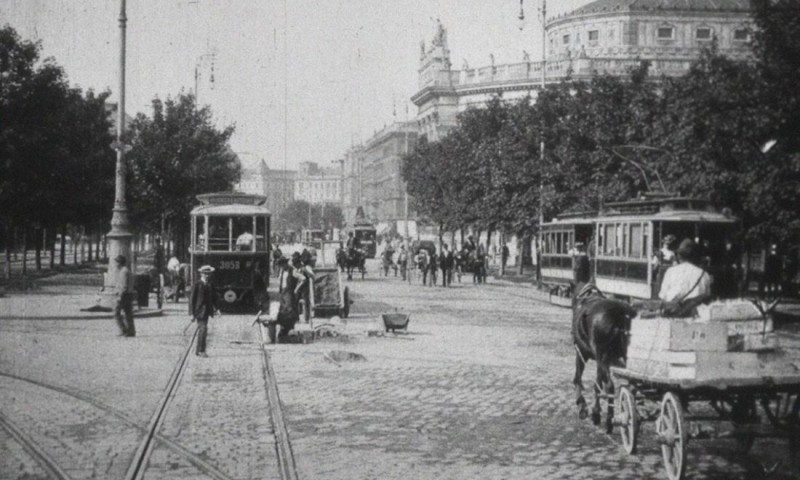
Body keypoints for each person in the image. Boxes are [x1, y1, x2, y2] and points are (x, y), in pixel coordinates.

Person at [659, 239, 712, 315]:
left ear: (679, 256)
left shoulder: (670, 272)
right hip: (696, 317)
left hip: (673, 316)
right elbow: (707, 296)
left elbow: (663, 297)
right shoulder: (704, 274)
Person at [274, 257, 306, 341]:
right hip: (283, 293)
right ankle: (283, 329)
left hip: (289, 293)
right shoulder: (282, 271)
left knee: (289, 311)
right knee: (282, 311)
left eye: (282, 265)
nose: (281, 267)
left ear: (285, 263)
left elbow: (303, 279)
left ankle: (290, 329)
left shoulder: (293, 270)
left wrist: (296, 289)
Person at [189, 265, 218, 357]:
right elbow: (192, 299)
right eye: (205, 274)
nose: (207, 275)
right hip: (199, 311)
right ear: (201, 274)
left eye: (209, 274)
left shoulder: (210, 284)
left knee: (203, 330)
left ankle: (198, 350)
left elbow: (214, 298)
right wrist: (192, 314)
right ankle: (201, 350)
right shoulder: (197, 284)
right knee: (203, 329)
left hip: (207, 311)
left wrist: (217, 309)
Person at [114, 255, 136, 337]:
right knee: (128, 314)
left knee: (116, 313)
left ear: (119, 263)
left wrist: (120, 296)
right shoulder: (126, 270)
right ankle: (131, 331)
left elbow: (124, 286)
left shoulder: (123, 272)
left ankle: (124, 330)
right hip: (129, 295)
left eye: (116, 262)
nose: (115, 264)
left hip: (124, 295)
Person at [292, 254, 314, 323]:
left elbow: (311, 276)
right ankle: (296, 318)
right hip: (299, 286)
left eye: (296, 264)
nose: (295, 266)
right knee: (295, 301)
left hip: (305, 287)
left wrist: (309, 275)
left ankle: (307, 318)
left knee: (306, 302)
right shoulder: (295, 270)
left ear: (298, 263)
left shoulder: (304, 268)